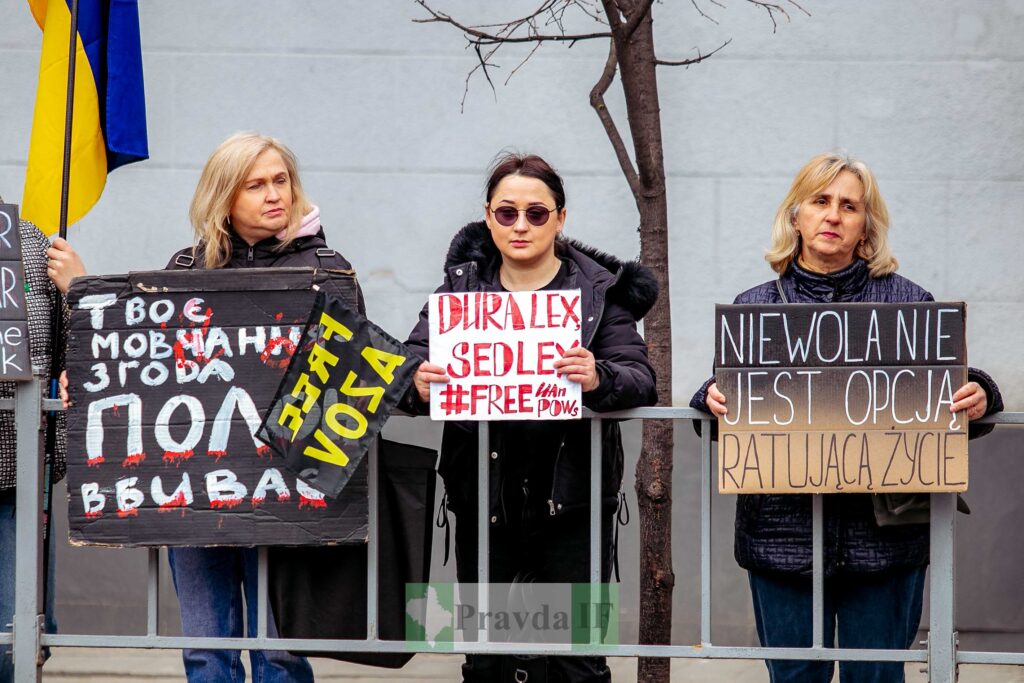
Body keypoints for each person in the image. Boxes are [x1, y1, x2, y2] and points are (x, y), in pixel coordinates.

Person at [690, 152, 1003, 683]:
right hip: (780, 542)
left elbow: (948, 380)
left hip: (885, 548)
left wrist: (983, 394)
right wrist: (709, 398)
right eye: (820, 201)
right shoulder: (756, 306)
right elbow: (729, 401)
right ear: (796, 217)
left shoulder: (909, 303)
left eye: (849, 206)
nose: (833, 215)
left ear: (865, 227)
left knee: (878, 677)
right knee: (793, 678)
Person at [404, 153, 658, 682]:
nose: (521, 226)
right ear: (488, 216)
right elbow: (407, 369)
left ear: (561, 218)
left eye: (537, 214)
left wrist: (598, 376)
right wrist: (416, 382)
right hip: (484, 503)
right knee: (492, 655)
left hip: (573, 505)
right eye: (507, 212)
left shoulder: (597, 293)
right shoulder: (459, 292)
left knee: (573, 658)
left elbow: (641, 379)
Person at [161, 132, 363, 683]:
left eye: (281, 180)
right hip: (197, 491)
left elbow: (349, 375)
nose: (275, 194)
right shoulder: (182, 269)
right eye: (256, 184)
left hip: (287, 492)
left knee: (280, 653)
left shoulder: (327, 267)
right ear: (224, 195)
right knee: (206, 652)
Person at [0, 198, 75, 681]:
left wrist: (78, 289)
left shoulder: (28, 241)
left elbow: (75, 351)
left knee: (15, 638)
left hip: (19, 472)